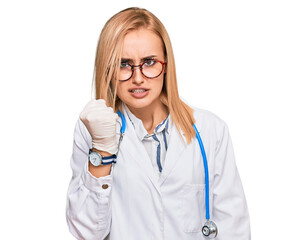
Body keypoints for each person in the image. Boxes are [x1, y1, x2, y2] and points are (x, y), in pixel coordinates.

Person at [65, 7, 251, 240]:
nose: (138, 77)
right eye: (123, 64)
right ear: (108, 70)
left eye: (149, 62)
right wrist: (102, 150)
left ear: (166, 65)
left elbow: (234, 229)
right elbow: (86, 231)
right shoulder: (91, 131)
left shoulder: (210, 130)